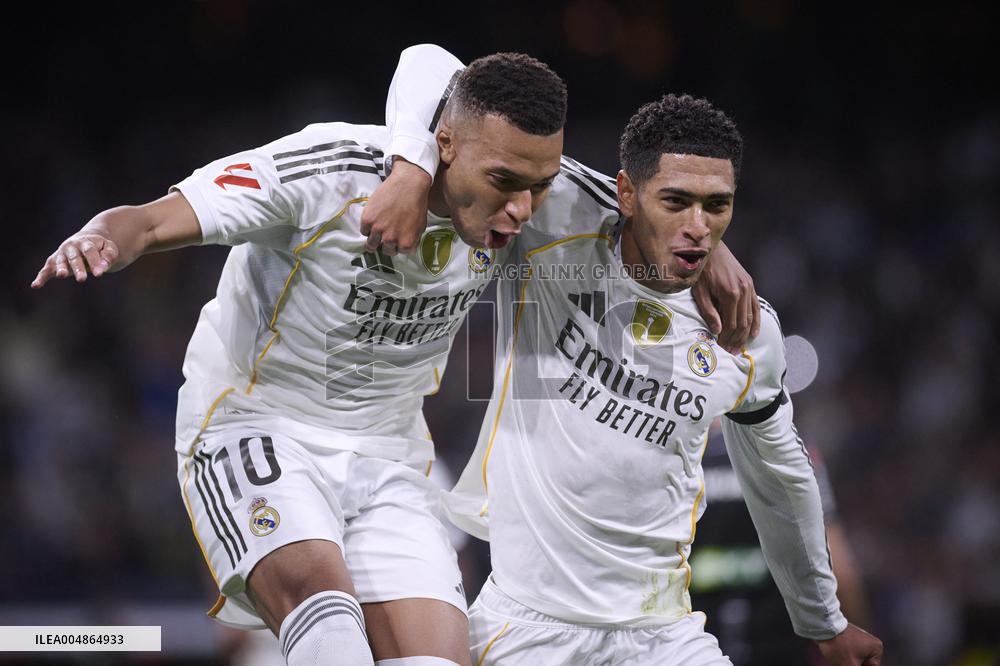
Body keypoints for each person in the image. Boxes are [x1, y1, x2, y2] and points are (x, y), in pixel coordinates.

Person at [31, 48, 758, 665]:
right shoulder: (331, 171)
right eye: (505, 184)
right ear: (444, 143)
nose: (523, 211)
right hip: (255, 423)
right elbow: (154, 218)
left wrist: (714, 250)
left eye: (538, 188)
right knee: (332, 629)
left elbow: (643, 212)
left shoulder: (523, 188)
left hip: (387, 454)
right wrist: (103, 238)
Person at [377, 46, 884, 665]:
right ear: (626, 193)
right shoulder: (552, 219)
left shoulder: (747, 333)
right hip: (526, 626)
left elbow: (782, 483)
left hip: (663, 635)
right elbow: (432, 66)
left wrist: (824, 623)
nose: (699, 225)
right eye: (675, 201)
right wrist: (409, 169)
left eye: (716, 206)